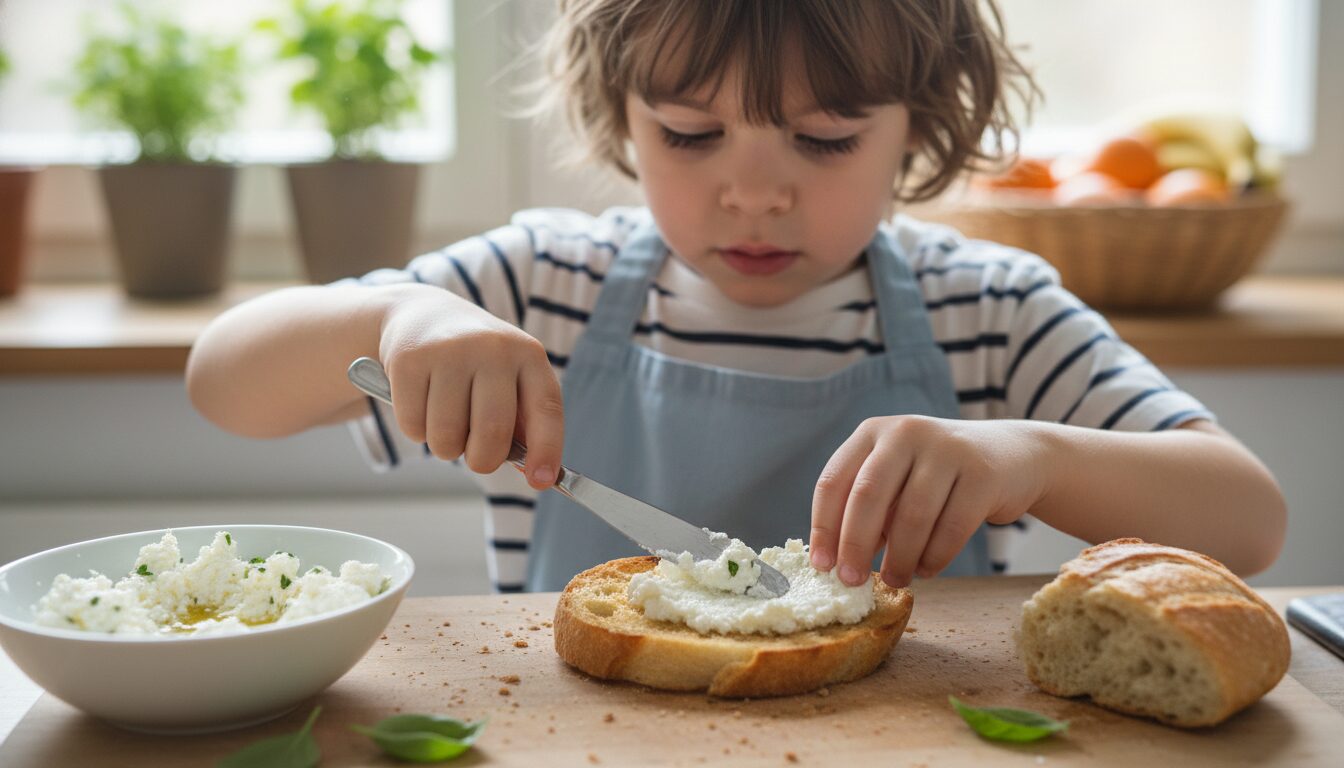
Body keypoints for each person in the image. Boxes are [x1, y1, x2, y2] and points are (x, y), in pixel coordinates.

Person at [187, 0, 1285, 594]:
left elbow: (1250, 520)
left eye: (825, 139)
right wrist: (396, 318)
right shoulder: (540, 287)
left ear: (921, 123)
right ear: (621, 114)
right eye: (690, 133)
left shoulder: (987, 311)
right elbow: (221, 384)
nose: (754, 192)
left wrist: (1032, 457)